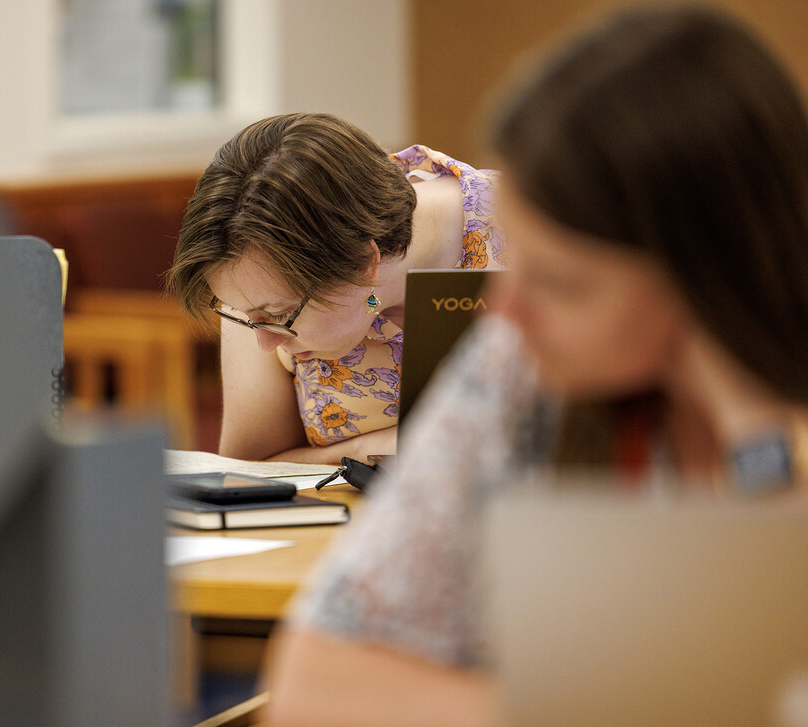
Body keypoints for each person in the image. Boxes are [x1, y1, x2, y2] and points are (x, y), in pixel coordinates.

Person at [264, 6, 808, 726]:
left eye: (560, 281)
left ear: (704, 278)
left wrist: (751, 420)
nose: (503, 312)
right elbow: (314, 684)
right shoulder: (518, 371)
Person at [167, 113, 505, 464]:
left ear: (363, 264)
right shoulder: (255, 274)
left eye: (280, 315)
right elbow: (250, 471)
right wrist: (369, 451)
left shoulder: (528, 231)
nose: (266, 343)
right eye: (247, 316)